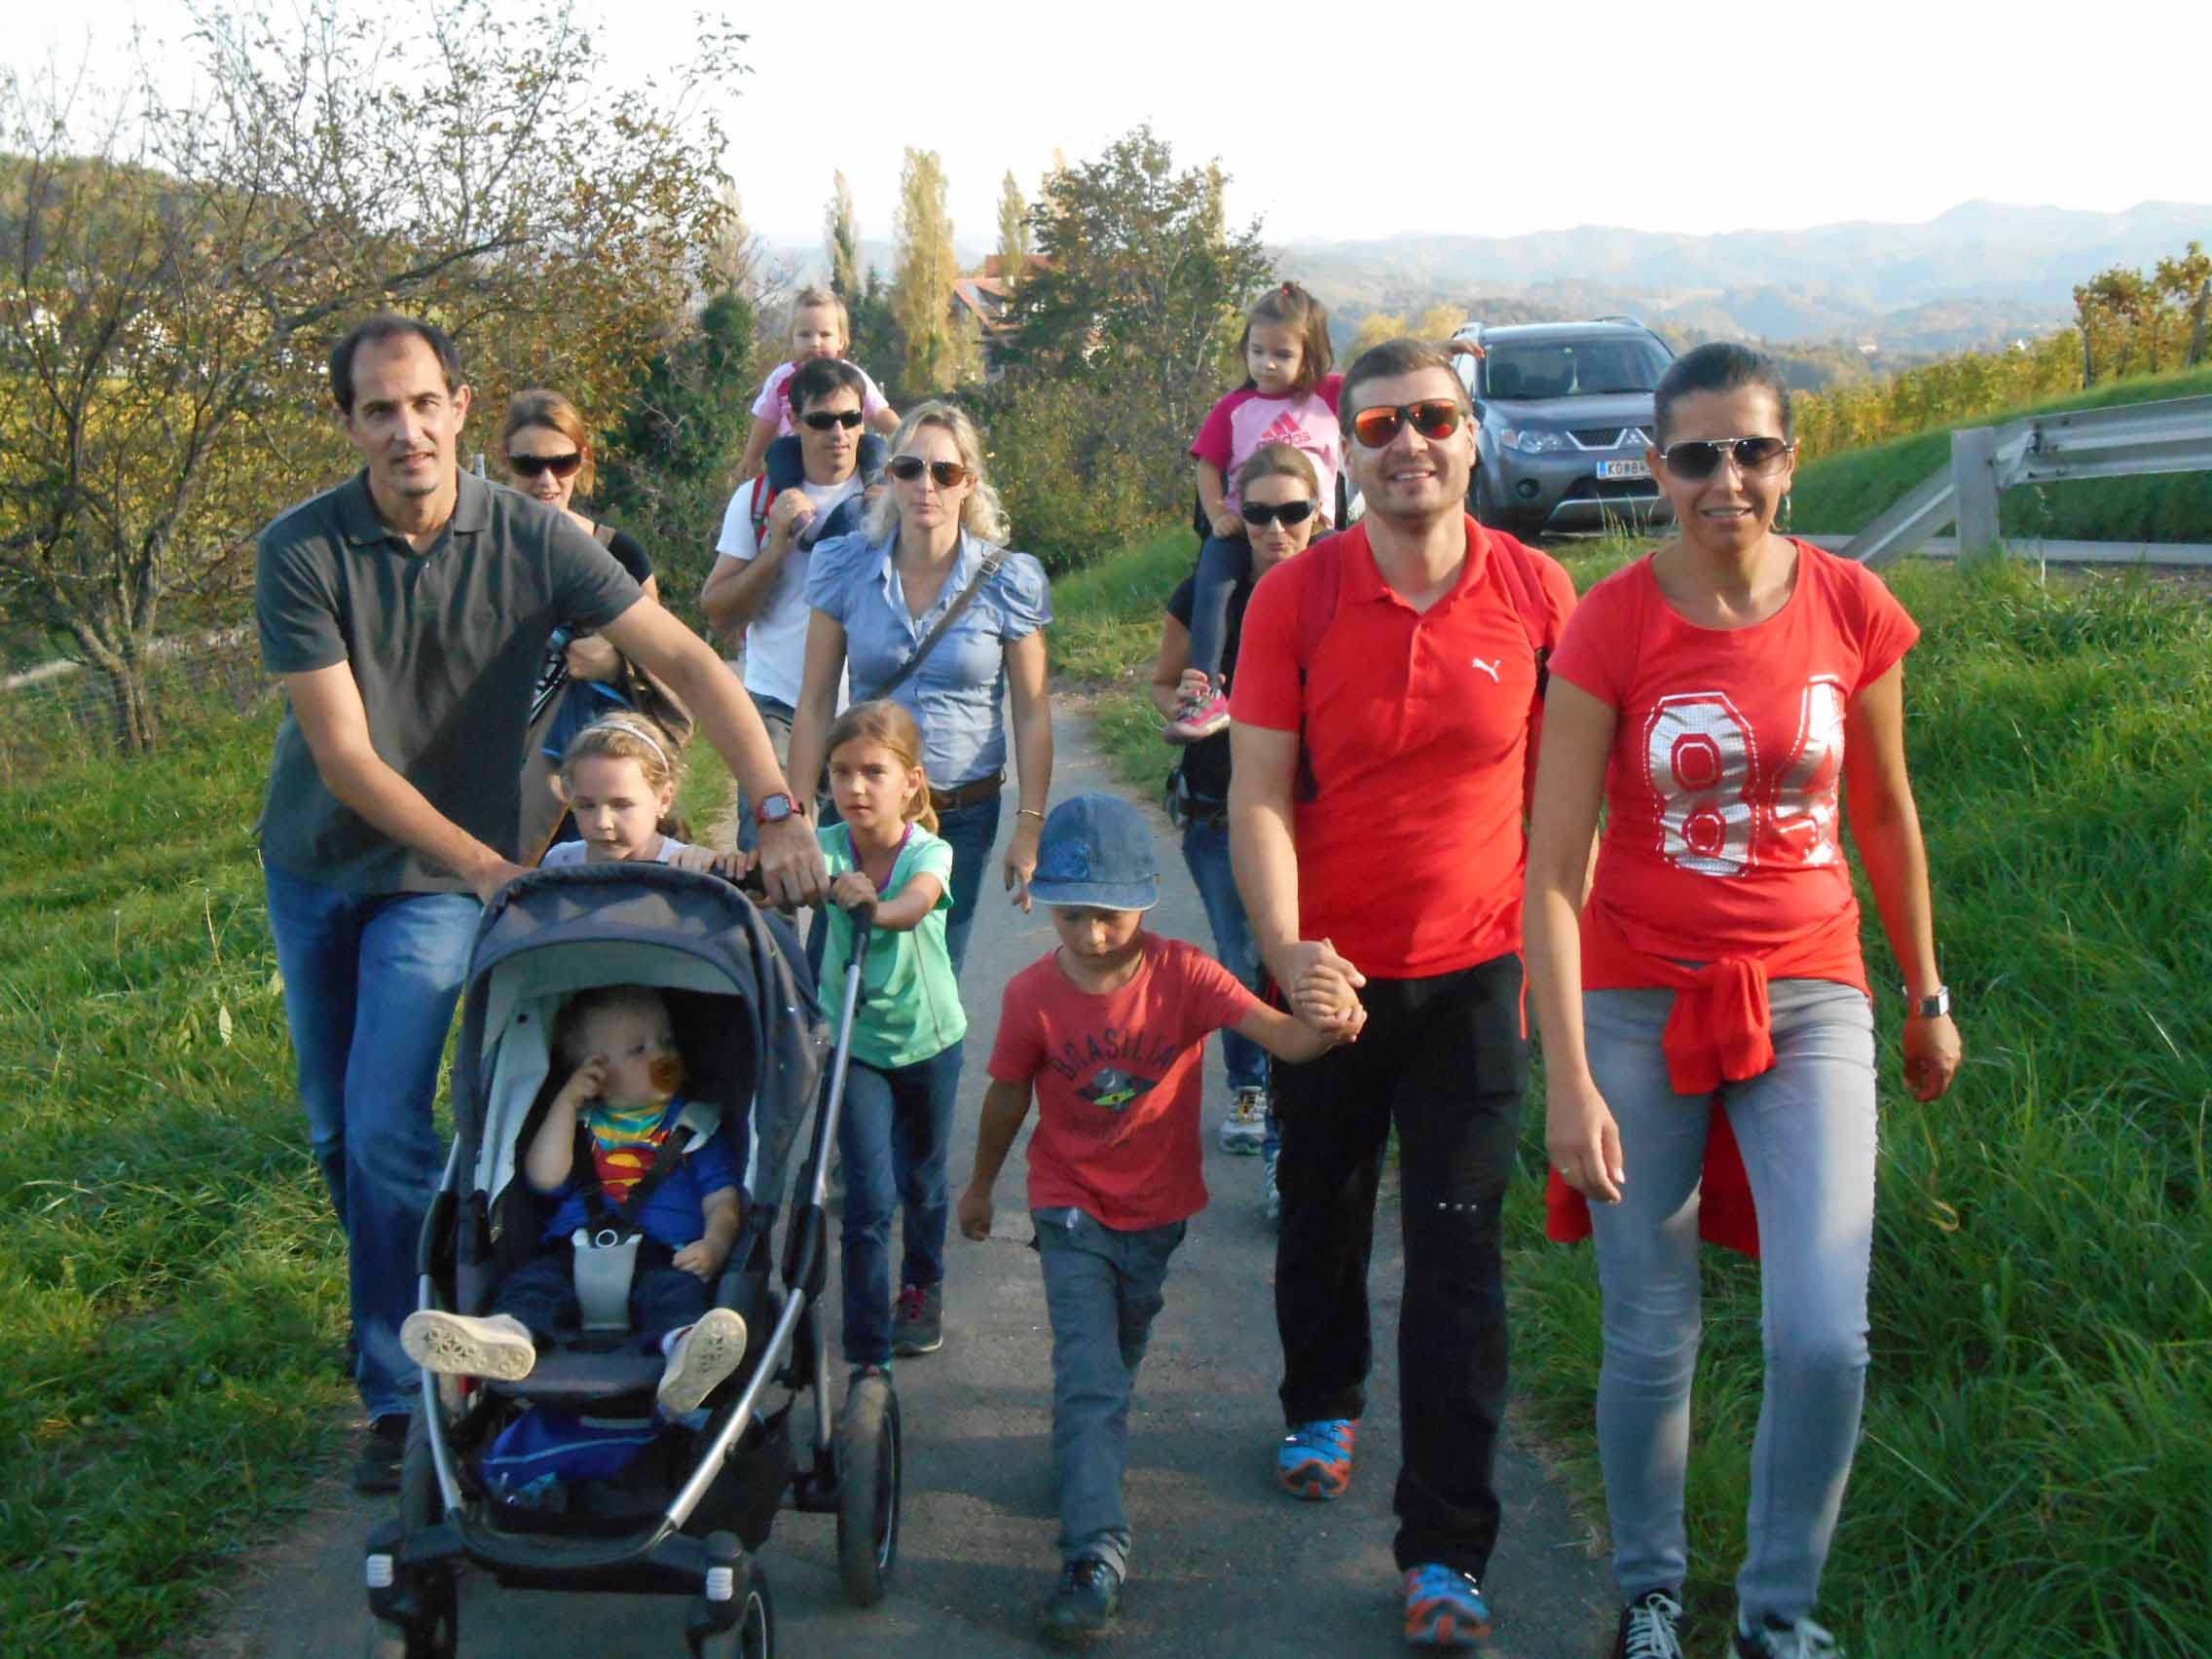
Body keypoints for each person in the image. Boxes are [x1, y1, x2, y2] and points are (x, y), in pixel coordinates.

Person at [255, 311, 826, 1492]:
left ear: (459, 406)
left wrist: (774, 807)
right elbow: (347, 757)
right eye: (379, 410)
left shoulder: (532, 538)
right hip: (320, 866)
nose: (407, 431)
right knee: (339, 1137)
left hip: (435, 884)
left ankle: (397, 1396)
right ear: (348, 422)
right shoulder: (304, 550)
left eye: (425, 403)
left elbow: (687, 660)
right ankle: (423, 1298)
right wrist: (487, 864)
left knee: (384, 1130)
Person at [1523, 343, 1964, 1659]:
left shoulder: (1851, 605)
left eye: (1753, 450)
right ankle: (1650, 1595)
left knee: (1825, 1335)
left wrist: (1927, 990)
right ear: (1656, 469)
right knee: (1652, 1329)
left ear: (1790, 460)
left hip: (1813, 991)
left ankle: (1779, 1613)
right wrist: (1567, 1077)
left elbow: (1884, 813)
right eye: (1697, 455)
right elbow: (1553, 870)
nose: (1727, 480)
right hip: (1637, 999)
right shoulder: (1610, 625)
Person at [1227, 337, 1577, 1648]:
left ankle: (1445, 1548)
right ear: (1348, 453)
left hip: (1477, 975)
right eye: (1378, 426)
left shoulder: (1538, 591)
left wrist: (1567, 984)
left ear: (1472, 435)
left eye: (1432, 418)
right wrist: (1288, 948)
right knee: (1320, 1207)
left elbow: (1564, 816)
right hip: (1331, 972)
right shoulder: (1296, 598)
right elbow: (1259, 795)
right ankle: (1321, 1399)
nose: (1408, 444)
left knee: (1456, 1259)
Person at [956, 793, 1360, 1646]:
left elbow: (1284, 1040)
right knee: (1091, 1374)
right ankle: (1093, 1555)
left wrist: (1333, 1020)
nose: (1092, 934)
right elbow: (1006, 1097)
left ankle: (1086, 1449)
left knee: (1120, 1349)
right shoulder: (1032, 995)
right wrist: (982, 1188)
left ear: (1144, 899)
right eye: (1072, 914)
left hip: (1158, 1210)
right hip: (1067, 1203)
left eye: (1109, 914)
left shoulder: (1186, 975)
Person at [788, 400, 1053, 977]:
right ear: (890, 478)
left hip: (961, 813)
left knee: (931, 976)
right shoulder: (844, 566)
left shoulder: (1010, 580)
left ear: (969, 484)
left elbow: (1033, 712)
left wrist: (1030, 824)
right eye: (909, 469)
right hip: (862, 808)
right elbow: (815, 701)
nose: (925, 485)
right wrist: (798, 813)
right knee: (834, 970)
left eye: (944, 472)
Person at [396, 984, 751, 1418]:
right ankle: (506, 1335)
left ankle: (687, 1352)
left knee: (675, 1296)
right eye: (638, 1049)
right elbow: (544, 1179)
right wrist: (565, 1103)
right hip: (574, 1248)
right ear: (595, 1072)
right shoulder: (578, 1126)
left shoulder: (696, 1126)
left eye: (667, 1041)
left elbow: (722, 1200)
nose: (662, 1055)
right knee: (535, 1285)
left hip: (666, 1254)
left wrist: (715, 1243)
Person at [1149, 443, 1326, 1200]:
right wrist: (1188, 703)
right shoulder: (1204, 596)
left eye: (1293, 511)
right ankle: (1252, 1088)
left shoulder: (1340, 590)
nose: (1276, 529)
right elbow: (1162, 683)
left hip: (1317, 813)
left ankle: (1295, 1126)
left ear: (1319, 513)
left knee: (1299, 961)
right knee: (1244, 954)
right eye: (1258, 513)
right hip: (1219, 808)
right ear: (1235, 518)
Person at [813, 701, 970, 1366]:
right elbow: (773, 881)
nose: (855, 787)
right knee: (869, 1196)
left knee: (923, 1180)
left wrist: (870, 905)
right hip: (856, 1043)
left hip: (929, 1043)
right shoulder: (823, 847)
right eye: (841, 772)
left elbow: (912, 907)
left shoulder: (930, 851)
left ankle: (921, 1286)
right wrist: (742, 870)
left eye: (873, 772)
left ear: (911, 782)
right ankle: (866, 1349)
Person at [701, 356, 877, 849]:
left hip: (863, 708)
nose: (838, 433)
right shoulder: (757, 499)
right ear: (795, 422)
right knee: (772, 857)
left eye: (850, 418)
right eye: (822, 420)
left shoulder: (892, 495)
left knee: (858, 869)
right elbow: (717, 611)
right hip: (776, 704)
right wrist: (775, 547)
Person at [503, 388, 683, 864]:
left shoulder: (620, 554)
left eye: (561, 463)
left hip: (601, 783)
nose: (546, 480)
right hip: (498, 769)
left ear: (582, 461)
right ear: (506, 464)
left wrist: (615, 663)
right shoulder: (481, 554)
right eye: (528, 465)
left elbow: (668, 663)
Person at [1165, 281, 1341, 745]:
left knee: (1345, 589)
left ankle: (1343, 684)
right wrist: (1218, 513)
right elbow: (1208, 466)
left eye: (1282, 354)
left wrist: (1437, 353)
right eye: (1257, 351)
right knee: (1212, 584)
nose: (1267, 363)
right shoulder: (1235, 408)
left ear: (1309, 356)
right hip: (1246, 526)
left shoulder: (1328, 397)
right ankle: (1207, 690)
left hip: (1315, 528)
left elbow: (1383, 380)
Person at [537, 714, 748, 875]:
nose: (602, 823)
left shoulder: (685, 868)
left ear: (664, 799)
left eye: (621, 805)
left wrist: (712, 870)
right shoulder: (560, 863)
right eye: (586, 805)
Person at [732, 285, 900, 485]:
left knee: (876, 446)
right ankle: (791, 495)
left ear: (841, 341)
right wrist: (751, 458)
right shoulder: (781, 379)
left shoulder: (852, 377)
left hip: (846, 448)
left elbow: (880, 414)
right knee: (778, 452)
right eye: (805, 335)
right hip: (797, 447)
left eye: (825, 335)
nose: (814, 343)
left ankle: (875, 489)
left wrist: (909, 437)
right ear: (792, 338)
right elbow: (766, 422)